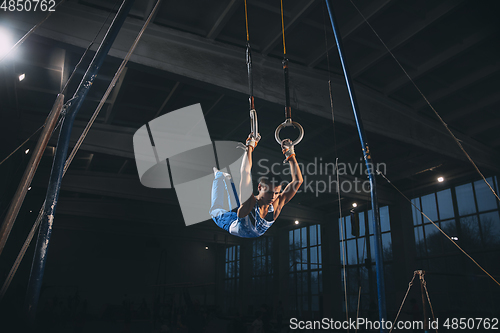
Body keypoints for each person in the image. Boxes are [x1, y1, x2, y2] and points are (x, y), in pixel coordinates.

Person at [210, 135, 303, 238]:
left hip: (244, 213)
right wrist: (250, 146)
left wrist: (290, 154)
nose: (273, 197)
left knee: (238, 203)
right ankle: (219, 176)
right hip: (233, 224)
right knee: (215, 211)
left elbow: (298, 181)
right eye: (269, 192)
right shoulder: (250, 202)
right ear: (259, 187)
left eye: (276, 193)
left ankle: (228, 180)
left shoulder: (276, 204)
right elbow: (245, 172)